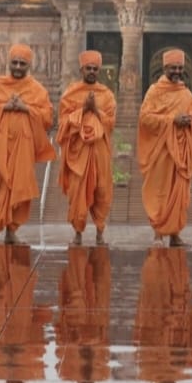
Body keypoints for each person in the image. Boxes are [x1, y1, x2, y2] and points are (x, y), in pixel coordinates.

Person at [0, 44, 55, 244]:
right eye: (15, 63)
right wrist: (4, 106)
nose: (18, 67)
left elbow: (47, 118)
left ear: (29, 65)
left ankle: (12, 230)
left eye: (22, 63)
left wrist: (25, 108)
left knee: (19, 187)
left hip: (23, 149)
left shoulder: (36, 90)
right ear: (8, 63)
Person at [137, 48, 192, 247]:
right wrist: (172, 120)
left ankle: (175, 234)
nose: (177, 71)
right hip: (161, 152)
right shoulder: (154, 91)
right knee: (159, 191)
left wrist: (189, 121)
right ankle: (158, 233)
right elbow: (145, 118)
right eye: (173, 67)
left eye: (180, 68)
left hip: (181, 153)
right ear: (164, 68)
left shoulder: (185, 93)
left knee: (180, 194)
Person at [57, 50, 117, 246]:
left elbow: (111, 122)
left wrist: (95, 110)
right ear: (81, 69)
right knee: (77, 193)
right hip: (78, 153)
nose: (91, 71)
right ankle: (78, 233)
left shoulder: (107, 95)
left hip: (100, 152)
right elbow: (63, 123)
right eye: (88, 68)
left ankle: (100, 232)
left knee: (102, 191)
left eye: (95, 69)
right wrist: (83, 109)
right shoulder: (70, 94)